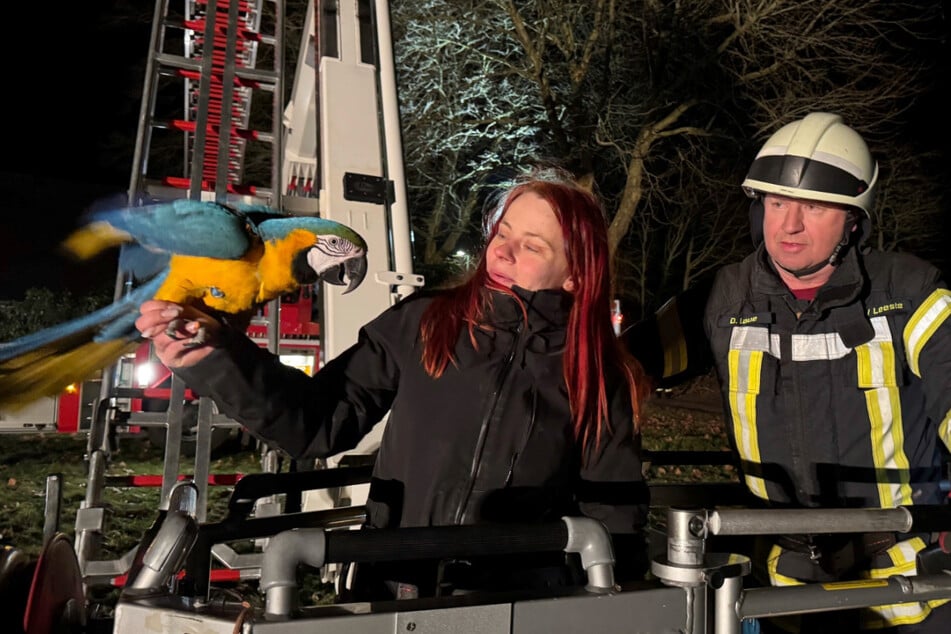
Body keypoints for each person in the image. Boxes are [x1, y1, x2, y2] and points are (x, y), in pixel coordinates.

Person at [136, 167, 652, 600]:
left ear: (576, 275)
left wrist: (617, 608)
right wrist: (218, 357)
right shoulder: (425, 321)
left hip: (519, 603)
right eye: (502, 234)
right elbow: (318, 422)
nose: (503, 252)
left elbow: (614, 513)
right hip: (391, 585)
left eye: (532, 246)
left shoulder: (599, 373)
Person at [630, 112, 951, 633]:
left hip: (908, 591)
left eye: (814, 206)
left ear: (853, 220)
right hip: (783, 594)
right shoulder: (722, 300)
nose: (790, 225)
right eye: (776, 203)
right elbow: (615, 368)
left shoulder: (907, 293)